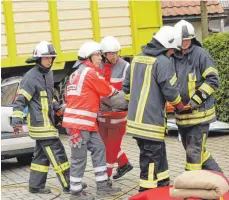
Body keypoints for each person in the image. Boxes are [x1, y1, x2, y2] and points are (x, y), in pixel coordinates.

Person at [123, 26, 184, 192]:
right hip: (150, 123)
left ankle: (163, 186)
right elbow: (170, 90)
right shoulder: (162, 62)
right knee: (150, 161)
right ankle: (147, 192)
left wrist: (134, 104)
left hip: (135, 122)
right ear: (166, 45)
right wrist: (180, 106)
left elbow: (126, 87)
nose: (172, 53)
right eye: (172, 50)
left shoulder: (136, 59)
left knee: (159, 154)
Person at [62, 41, 121, 200]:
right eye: (97, 55)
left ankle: (102, 186)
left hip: (85, 123)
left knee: (99, 148)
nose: (101, 58)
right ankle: (75, 193)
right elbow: (107, 90)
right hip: (78, 125)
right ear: (88, 57)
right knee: (79, 158)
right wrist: (120, 95)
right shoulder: (88, 72)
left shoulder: (77, 72)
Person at [11, 41, 70, 194]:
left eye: (51, 58)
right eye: (46, 58)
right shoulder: (30, 77)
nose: (50, 61)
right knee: (58, 154)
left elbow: (50, 99)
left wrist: (59, 108)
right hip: (40, 125)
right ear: (38, 59)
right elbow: (20, 101)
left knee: (41, 157)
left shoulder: (49, 74)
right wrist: (16, 122)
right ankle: (70, 185)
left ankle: (35, 186)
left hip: (48, 122)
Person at [173, 20, 222, 172]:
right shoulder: (173, 56)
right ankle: (220, 179)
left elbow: (213, 80)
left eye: (188, 39)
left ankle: (191, 185)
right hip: (182, 117)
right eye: (182, 39)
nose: (185, 42)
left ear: (192, 38)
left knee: (193, 154)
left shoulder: (201, 55)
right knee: (198, 151)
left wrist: (197, 99)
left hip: (200, 116)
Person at [98, 36, 133, 180]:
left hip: (119, 114)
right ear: (104, 54)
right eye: (111, 53)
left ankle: (105, 177)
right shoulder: (99, 67)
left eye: (116, 52)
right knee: (102, 143)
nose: (114, 56)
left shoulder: (126, 66)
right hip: (102, 113)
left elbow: (129, 90)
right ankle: (124, 163)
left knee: (111, 147)